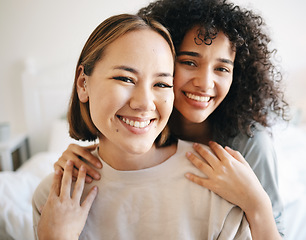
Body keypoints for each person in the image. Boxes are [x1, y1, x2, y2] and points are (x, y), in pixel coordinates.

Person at [55, 0, 288, 238]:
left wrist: (257, 203)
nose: (205, 83)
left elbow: (272, 229)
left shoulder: (248, 141)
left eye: (222, 69)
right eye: (189, 62)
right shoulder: (145, 119)